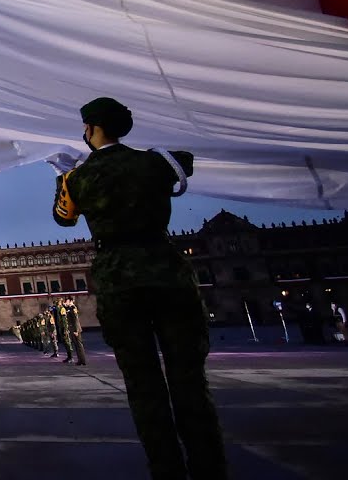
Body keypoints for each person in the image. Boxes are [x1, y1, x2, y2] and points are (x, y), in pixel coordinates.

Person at [48, 97, 227, 480]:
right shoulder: (156, 162)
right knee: (190, 381)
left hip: (118, 280)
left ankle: (166, 470)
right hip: (167, 273)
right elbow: (185, 164)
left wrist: (63, 176)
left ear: (91, 129)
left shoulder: (78, 178)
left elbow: (63, 218)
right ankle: (210, 469)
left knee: (143, 384)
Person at [59, 297, 87, 365]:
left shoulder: (73, 308)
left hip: (75, 329)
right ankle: (80, 360)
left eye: (67, 301)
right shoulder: (69, 308)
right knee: (77, 345)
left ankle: (82, 360)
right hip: (72, 329)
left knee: (79, 345)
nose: (66, 302)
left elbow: (75, 320)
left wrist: (76, 330)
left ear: (71, 301)